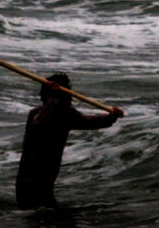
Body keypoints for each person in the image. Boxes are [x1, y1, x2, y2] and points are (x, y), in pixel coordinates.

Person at [15, 73, 122, 209]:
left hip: (35, 182)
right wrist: (53, 99)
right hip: (31, 182)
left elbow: (91, 121)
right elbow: (40, 121)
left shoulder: (65, 115)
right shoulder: (39, 115)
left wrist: (112, 117)